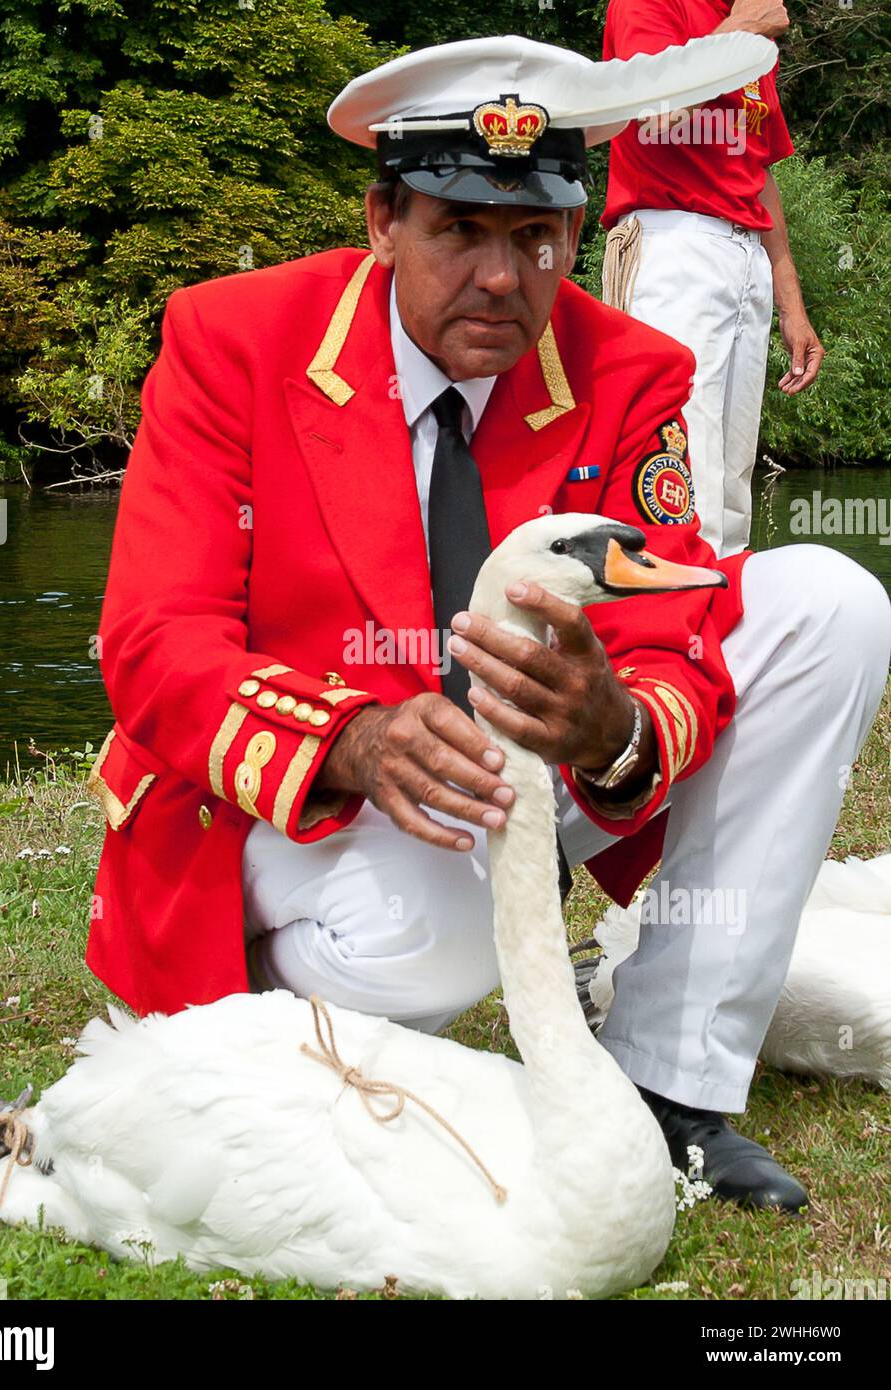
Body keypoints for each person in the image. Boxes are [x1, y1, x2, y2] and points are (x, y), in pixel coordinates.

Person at [86, 35, 890, 1212]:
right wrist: (352, 735)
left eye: (537, 236)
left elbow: (671, 625)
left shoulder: (630, 371)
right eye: (459, 228)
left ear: (576, 233)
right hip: (303, 793)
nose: (504, 279)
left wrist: (616, 726)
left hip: (510, 783)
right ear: (382, 221)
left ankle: (669, 1080)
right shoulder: (233, 340)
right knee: (438, 928)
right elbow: (155, 641)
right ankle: (251, 1006)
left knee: (830, 600)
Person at [601, 0, 824, 557]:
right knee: (674, 454)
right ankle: (661, 630)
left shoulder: (747, 26)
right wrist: (744, 29)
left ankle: (721, 628)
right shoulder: (652, 5)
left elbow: (759, 167)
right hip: (672, 239)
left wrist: (792, 306)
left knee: (730, 484)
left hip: (745, 249)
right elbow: (654, 114)